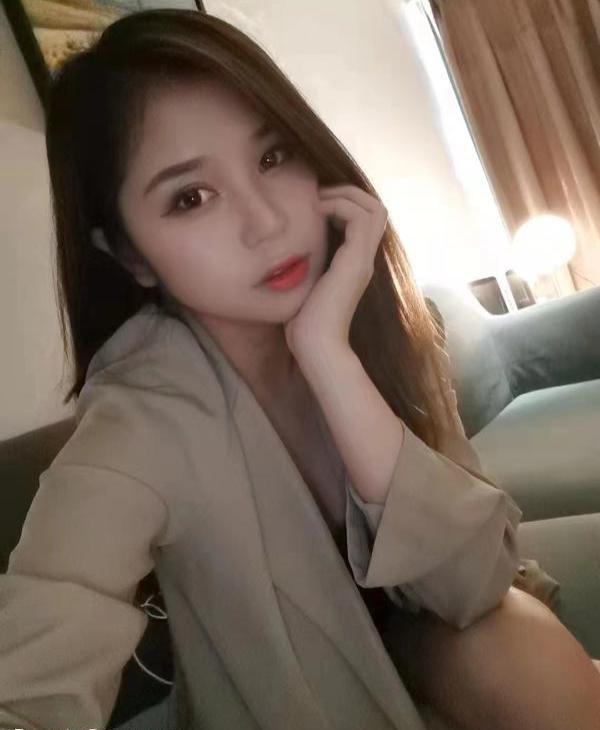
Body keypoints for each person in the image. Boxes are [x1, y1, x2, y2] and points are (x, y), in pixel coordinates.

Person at [1, 8, 599, 730]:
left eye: (273, 156)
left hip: (444, 640)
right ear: (130, 255)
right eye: (191, 198)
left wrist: (329, 357)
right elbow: (32, 669)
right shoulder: (139, 418)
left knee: (512, 650)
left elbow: (474, 582)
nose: (267, 222)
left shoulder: (365, 316)